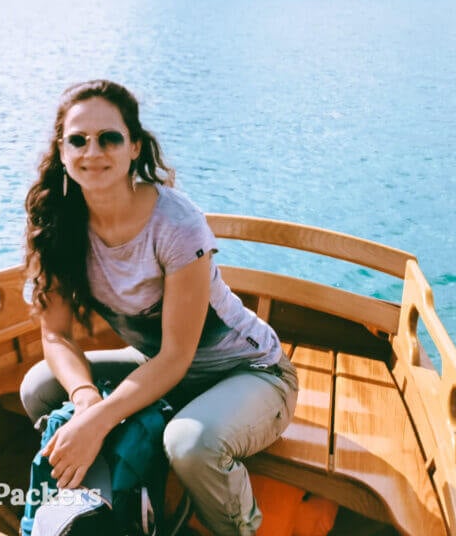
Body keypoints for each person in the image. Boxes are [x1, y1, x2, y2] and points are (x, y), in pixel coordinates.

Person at [19, 79, 298, 536]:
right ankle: (114, 499)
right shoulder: (58, 221)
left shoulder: (176, 225)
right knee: (40, 387)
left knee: (189, 443)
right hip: (163, 368)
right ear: (62, 151)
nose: (93, 152)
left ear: (134, 147)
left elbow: (176, 356)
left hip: (249, 372)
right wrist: (87, 402)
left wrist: (97, 421)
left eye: (109, 138)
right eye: (78, 140)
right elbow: (56, 336)